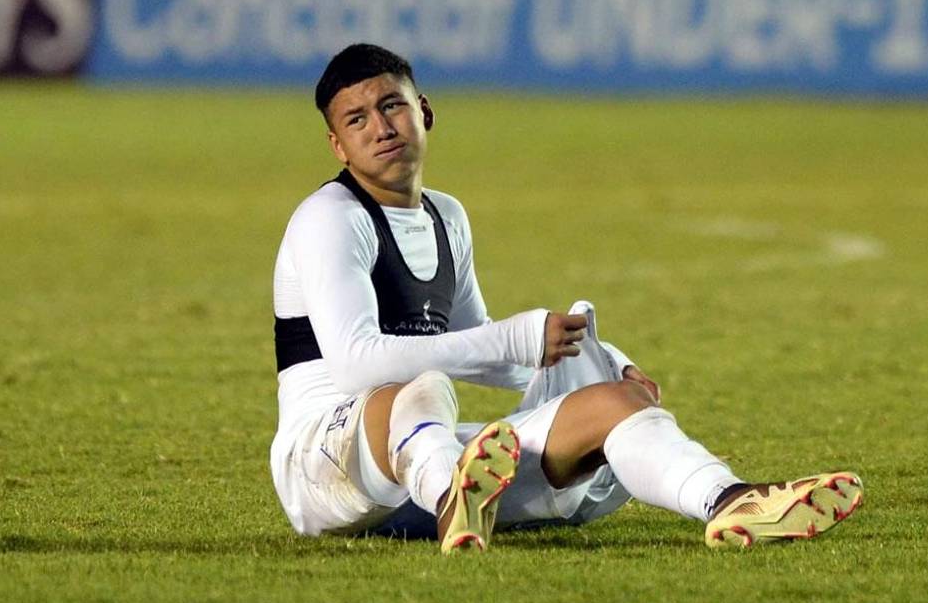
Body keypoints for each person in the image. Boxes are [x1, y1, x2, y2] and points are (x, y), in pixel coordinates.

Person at [270, 43, 863, 554]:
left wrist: (599, 355)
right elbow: (356, 363)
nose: (381, 127)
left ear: (423, 111)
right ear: (338, 146)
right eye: (357, 120)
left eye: (391, 105)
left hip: (419, 467)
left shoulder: (446, 216)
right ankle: (454, 493)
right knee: (423, 389)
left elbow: (485, 353)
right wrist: (520, 338)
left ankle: (728, 499)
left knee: (613, 404)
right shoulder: (331, 217)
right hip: (323, 468)